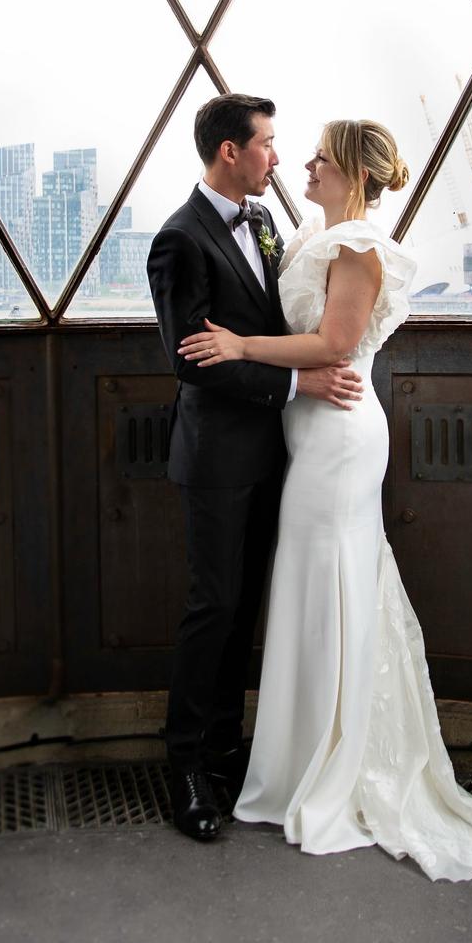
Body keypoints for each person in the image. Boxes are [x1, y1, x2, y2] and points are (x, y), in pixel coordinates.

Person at [178, 119, 472, 883]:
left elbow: (338, 345)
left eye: (320, 155)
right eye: (301, 150)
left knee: (330, 580)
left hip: (339, 437)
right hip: (310, 433)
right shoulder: (316, 238)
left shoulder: (357, 248)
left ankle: (330, 763)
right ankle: (308, 755)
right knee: (318, 584)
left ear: (351, 173)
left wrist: (242, 346)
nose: (304, 164)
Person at [147, 94, 365, 845]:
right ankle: (184, 768)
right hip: (215, 456)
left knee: (244, 613)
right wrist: (298, 384)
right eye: (268, 144)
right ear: (230, 152)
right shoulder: (178, 240)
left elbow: (269, 331)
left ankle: (227, 754)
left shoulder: (266, 224)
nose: (278, 156)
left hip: (279, 450)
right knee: (213, 607)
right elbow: (193, 362)